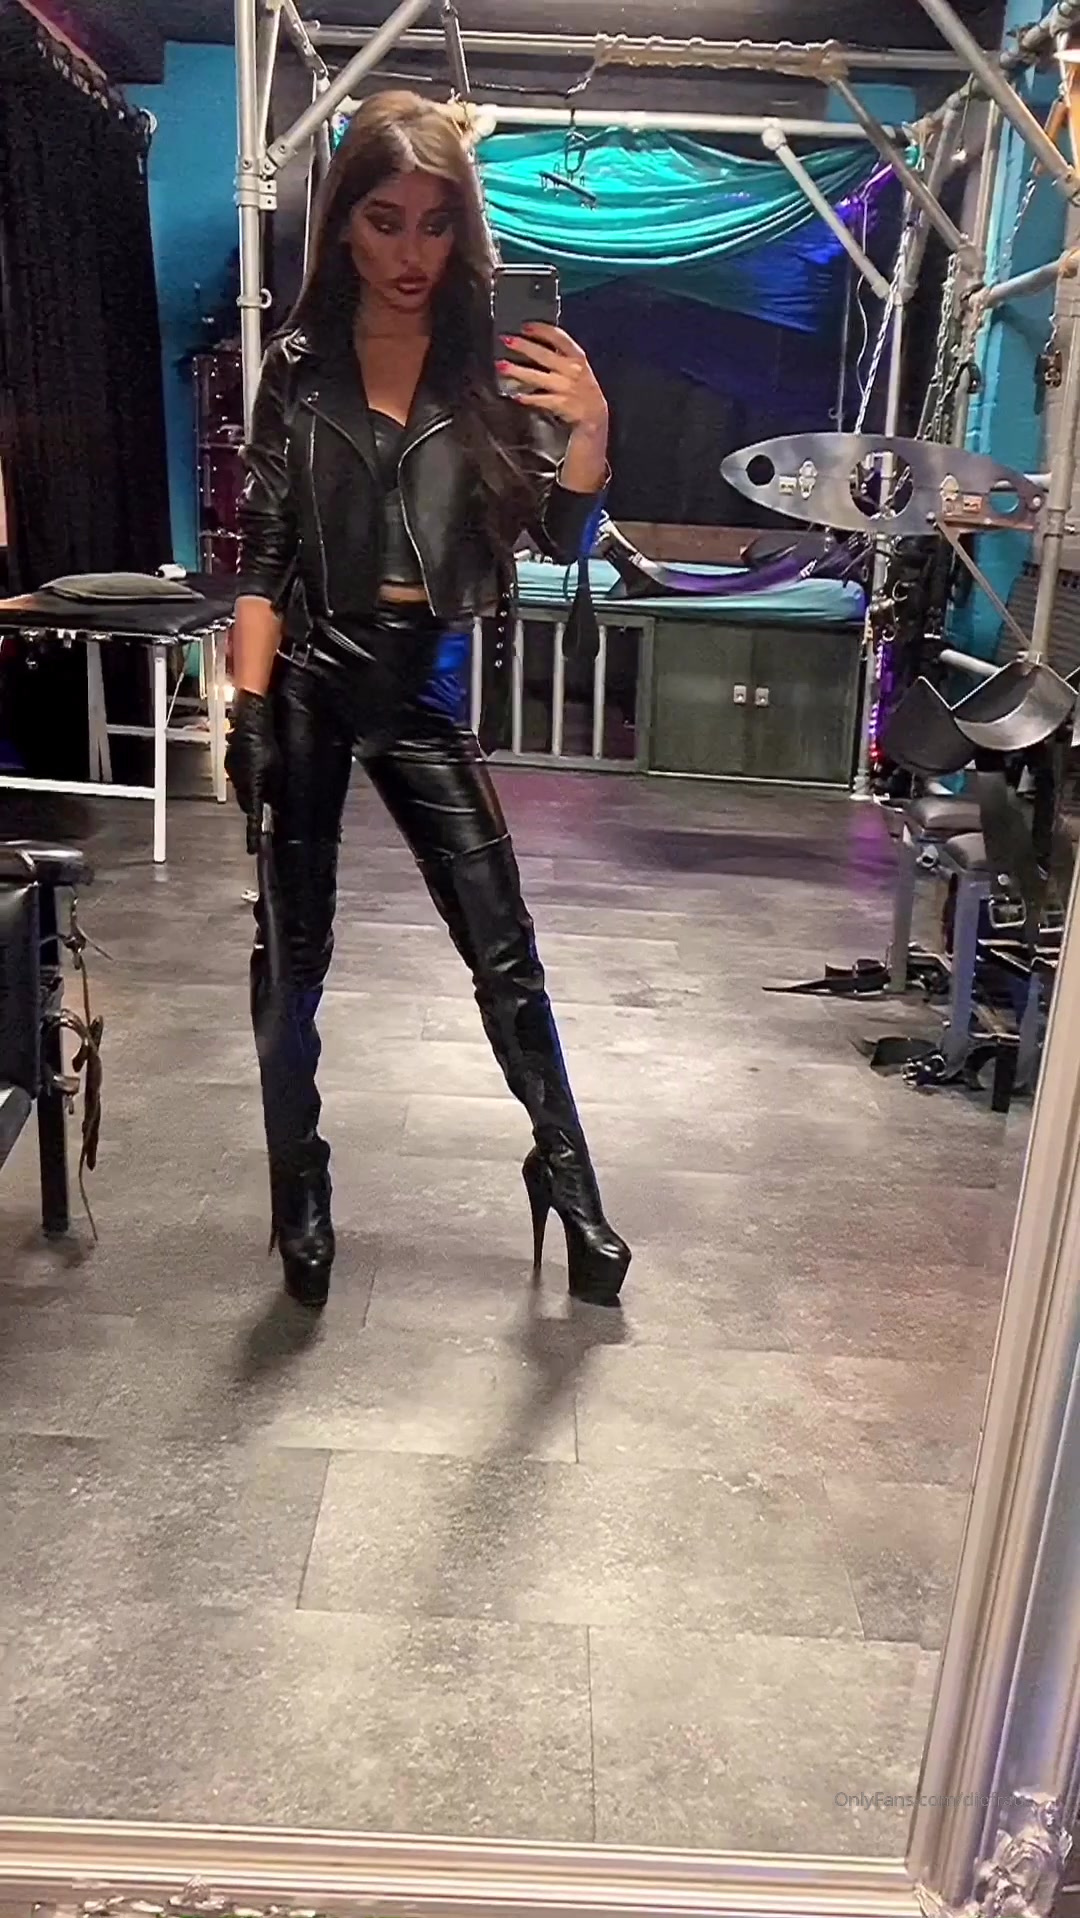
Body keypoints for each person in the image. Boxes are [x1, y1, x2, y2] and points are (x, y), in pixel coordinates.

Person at [225, 90, 630, 1313]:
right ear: (343, 224)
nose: (411, 253)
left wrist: (592, 433)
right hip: (309, 674)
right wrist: (245, 712)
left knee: (505, 948)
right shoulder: (298, 370)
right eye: (386, 221)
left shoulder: (488, 365)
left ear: (465, 232)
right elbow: (264, 553)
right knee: (293, 955)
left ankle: (569, 1179)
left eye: (436, 224)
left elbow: (558, 537)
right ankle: (299, 1181)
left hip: (425, 680)